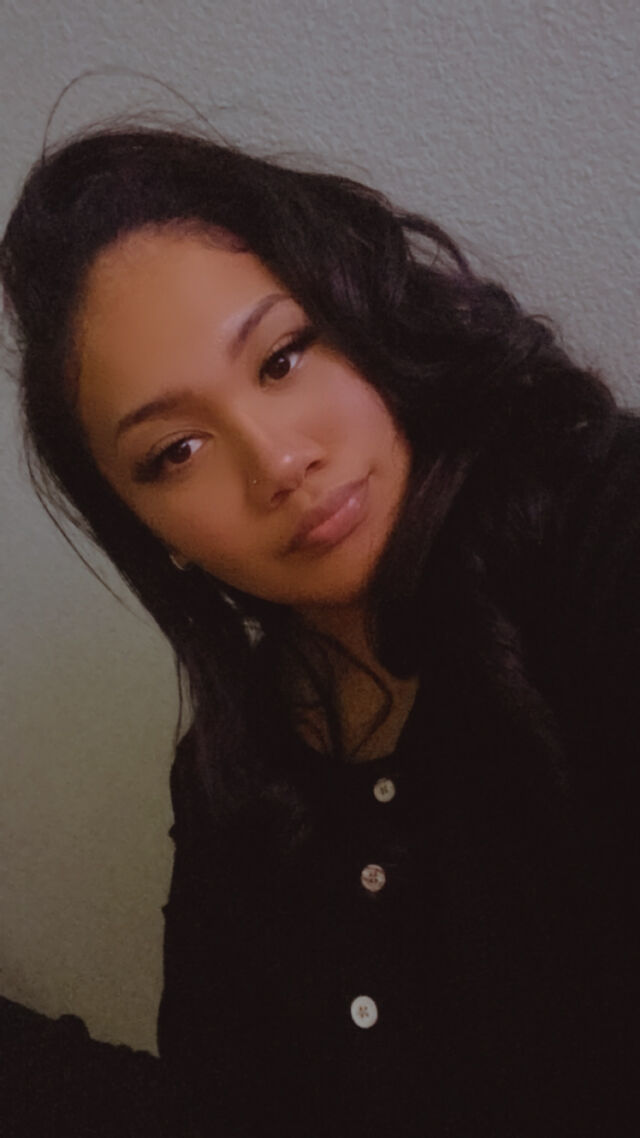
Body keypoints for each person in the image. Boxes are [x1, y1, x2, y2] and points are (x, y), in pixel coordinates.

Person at [1, 123, 638, 1137]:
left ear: (362, 311)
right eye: (176, 451)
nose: (276, 462)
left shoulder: (594, 525)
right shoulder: (231, 768)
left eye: (283, 356)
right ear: (151, 533)